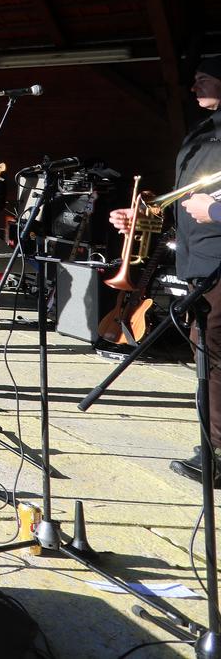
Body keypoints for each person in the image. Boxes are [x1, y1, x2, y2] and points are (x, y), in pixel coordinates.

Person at [114, 56, 221, 482]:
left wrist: (216, 209)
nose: (194, 88)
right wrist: (141, 217)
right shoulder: (201, 133)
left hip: (218, 263)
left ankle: (215, 456)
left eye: (203, 79)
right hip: (199, 262)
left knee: (213, 358)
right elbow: (180, 198)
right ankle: (210, 444)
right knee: (205, 355)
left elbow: (208, 203)